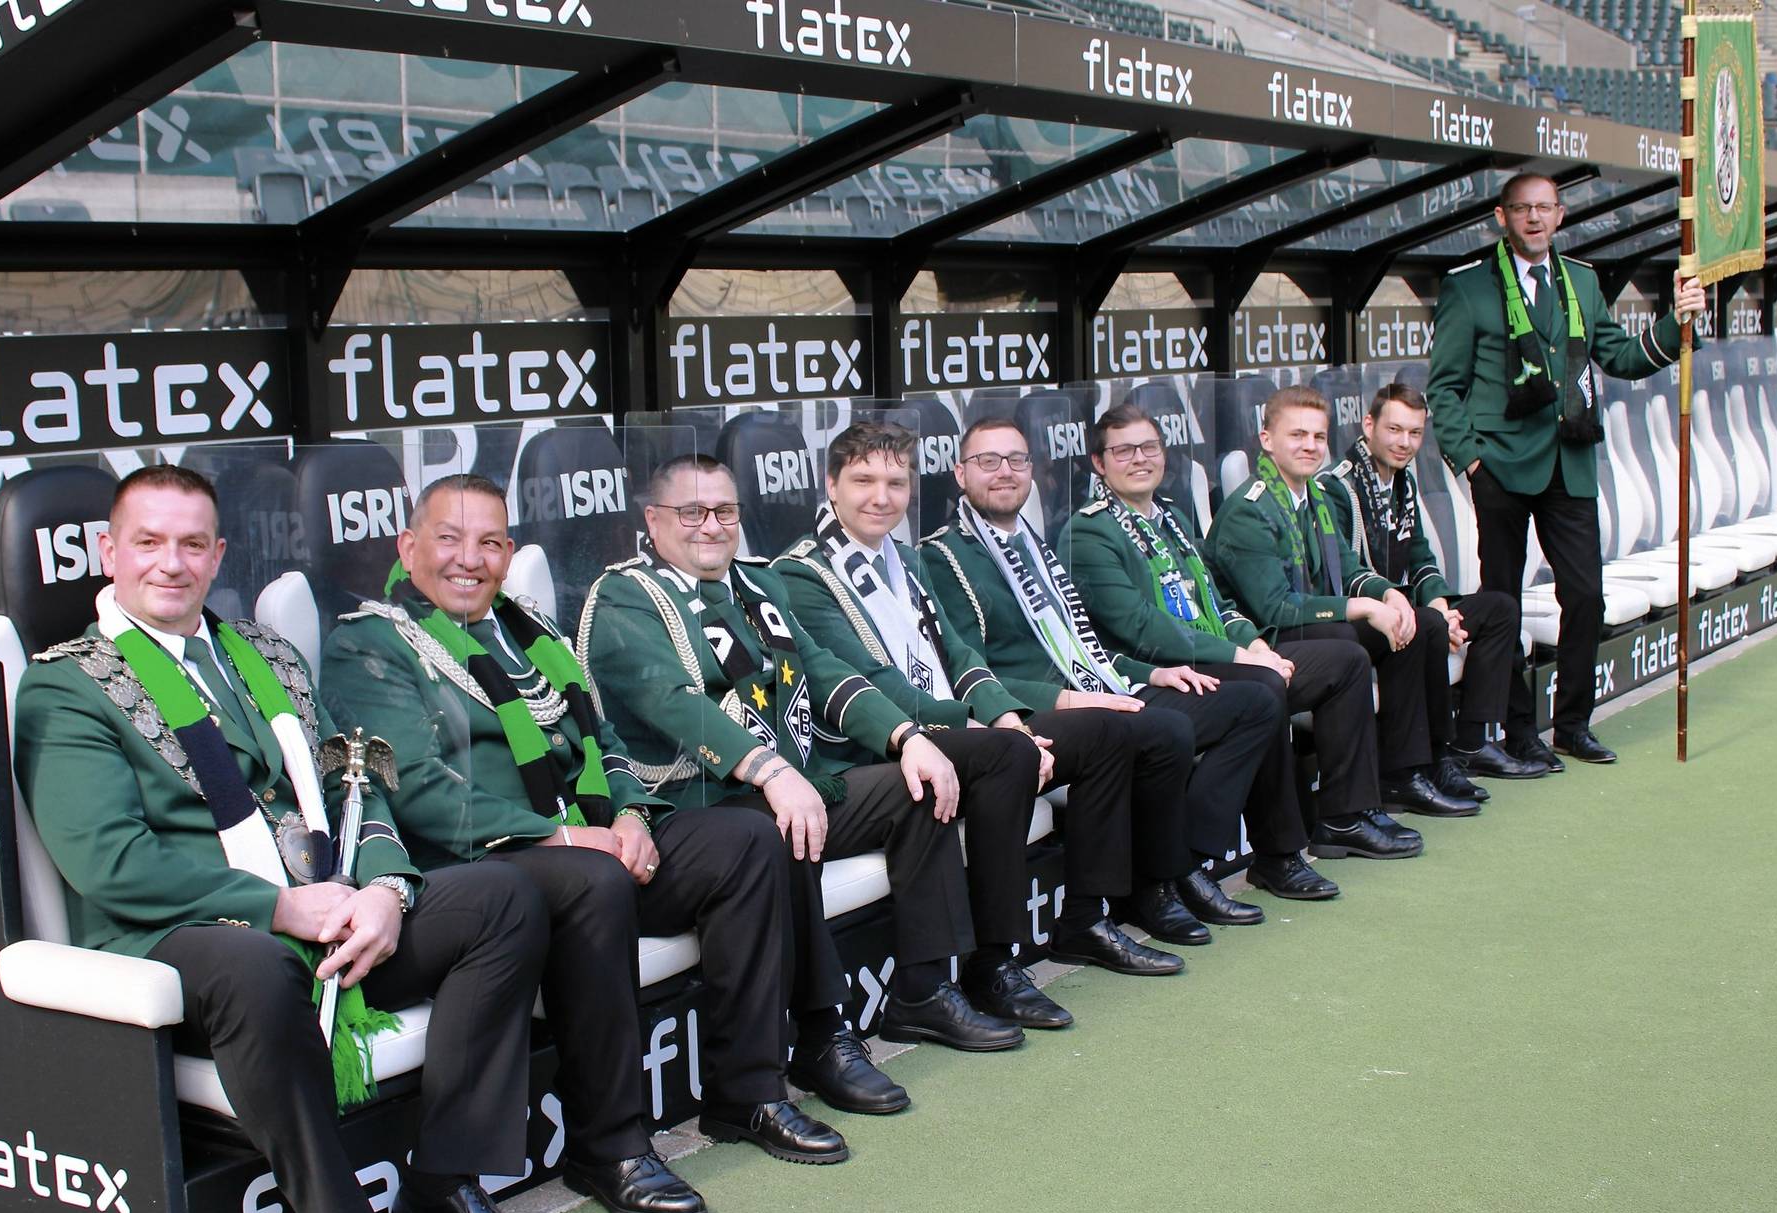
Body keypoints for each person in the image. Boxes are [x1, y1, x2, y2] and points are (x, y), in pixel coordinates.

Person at [15, 466, 575, 1213]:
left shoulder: (264, 653)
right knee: (255, 966)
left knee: (501, 898)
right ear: (109, 551)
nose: (172, 563)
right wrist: (276, 906)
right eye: (149, 542)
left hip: (327, 904)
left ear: (218, 553)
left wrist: (384, 887)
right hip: (181, 933)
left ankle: (444, 1188)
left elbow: (360, 783)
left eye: (192, 543)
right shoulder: (68, 683)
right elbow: (110, 863)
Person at [321, 473, 848, 1168]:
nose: (468, 559)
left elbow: (606, 741)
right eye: (448, 539)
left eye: (488, 542)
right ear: (408, 544)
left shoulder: (528, 629)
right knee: (593, 877)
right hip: (478, 867)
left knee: (747, 838)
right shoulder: (371, 642)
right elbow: (419, 790)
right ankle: (610, 1143)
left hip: (587, 841)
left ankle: (746, 1091)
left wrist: (629, 814)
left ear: (509, 551)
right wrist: (569, 836)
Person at [580, 453, 1037, 1116]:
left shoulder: (757, 583)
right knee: (777, 828)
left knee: (923, 785)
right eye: (692, 512)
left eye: (725, 511)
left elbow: (821, 672)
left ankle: (923, 990)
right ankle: (823, 1033)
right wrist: (771, 773)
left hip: (793, 782)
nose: (711, 525)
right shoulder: (626, 593)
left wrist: (906, 739)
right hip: (692, 809)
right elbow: (673, 700)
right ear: (653, 519)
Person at [775, 420, 1186, 1003]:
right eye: (863, 480)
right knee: (1005, 755)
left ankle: (1086, 921)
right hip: (878, 744)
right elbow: (870, 679)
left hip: (951, 726)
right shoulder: (802, 572)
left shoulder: (903, 558)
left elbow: (958, 654)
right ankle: (994, 962)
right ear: (830, 486)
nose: (881, 496)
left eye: (895, 482)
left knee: (1105, 732)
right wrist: (974, 725)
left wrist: (1006, 715)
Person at [918, 415, 1344, 918]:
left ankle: (1192, 860)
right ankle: (1160, 883)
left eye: (1015, 460)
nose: (1004, 471)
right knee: (1162, 730)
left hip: (1100, 683)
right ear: (960, 473)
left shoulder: (1033, 544)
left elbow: (1080, 644)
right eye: (988, 462)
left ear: (1031, 471)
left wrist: (1149, 675)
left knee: (1255, 698)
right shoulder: (944, 556)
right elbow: (966, 675)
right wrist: (1074, 698)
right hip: (1030, 710)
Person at [1065, 403, 1422, 874]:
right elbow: (1141, 627)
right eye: (1124, 450)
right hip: (1159, 671)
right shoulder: (1090, 530)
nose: (1140, 459)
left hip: (1215, 655)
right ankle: (1275, 855)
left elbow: (1216, 602)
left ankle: (1345, 818)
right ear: (1099, 462)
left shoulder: (1170, 517)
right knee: (1265, 689)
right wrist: (1242, 656)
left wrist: (1253, 645)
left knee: (1345, 661)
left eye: (1149, 447)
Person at [1427, 170, 1707, 767]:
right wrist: (1471, 461)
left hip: (1570, 462)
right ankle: (1518, 729)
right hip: (1499, 466)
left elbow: (1623, 357)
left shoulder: (1580, 281)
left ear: (1560, 216)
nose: (1533, 218)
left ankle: (1574, 725)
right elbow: (1444, 389)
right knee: (1502, 600)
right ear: (1501, 218)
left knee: (1586, 597)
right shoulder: (1470, 288)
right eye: (1521, 209)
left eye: (1544, 208)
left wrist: (1677, 320)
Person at [1208, 385, 1484, 822]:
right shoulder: (1249, 509)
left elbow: (1351, 569)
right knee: (1346, 641)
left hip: (1305, 627)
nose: (1310, 446)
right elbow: (1276, 610)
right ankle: (1344, 813)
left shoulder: (1313, 496)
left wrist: (1388, 595)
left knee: (1423, 624)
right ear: (1267, 440)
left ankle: (1404, 774)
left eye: (1318, 437)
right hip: (1264, 642)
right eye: (1297, 435)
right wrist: (1361, 608)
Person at [1323, 383, 1546, 793]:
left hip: (1410, 607)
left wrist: (1444, 609)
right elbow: (1346, 573)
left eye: (1414, 433)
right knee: (1428, 623)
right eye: (1394, 430)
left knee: (1500, 608)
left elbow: (1422, 558)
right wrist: (1434, 618)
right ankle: (1435, 757)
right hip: (1362, 614)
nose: (1404, 442)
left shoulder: (1402, 480)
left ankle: (1472, 742)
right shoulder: (1339, 486)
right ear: (1368, 425)